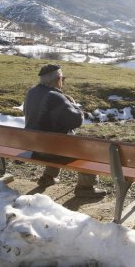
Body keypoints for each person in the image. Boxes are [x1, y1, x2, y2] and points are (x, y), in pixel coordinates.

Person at [24, 64, 107, 198]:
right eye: (63, 78)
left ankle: (48, 177)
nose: (63, 81)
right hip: (50, 149)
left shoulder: (32, 92)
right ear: (57, 79)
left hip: (34, 146)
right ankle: (85, 187)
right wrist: (74, 105)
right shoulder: (56, 97)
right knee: (86, 150)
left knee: (58, 139)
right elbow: (76, 121)